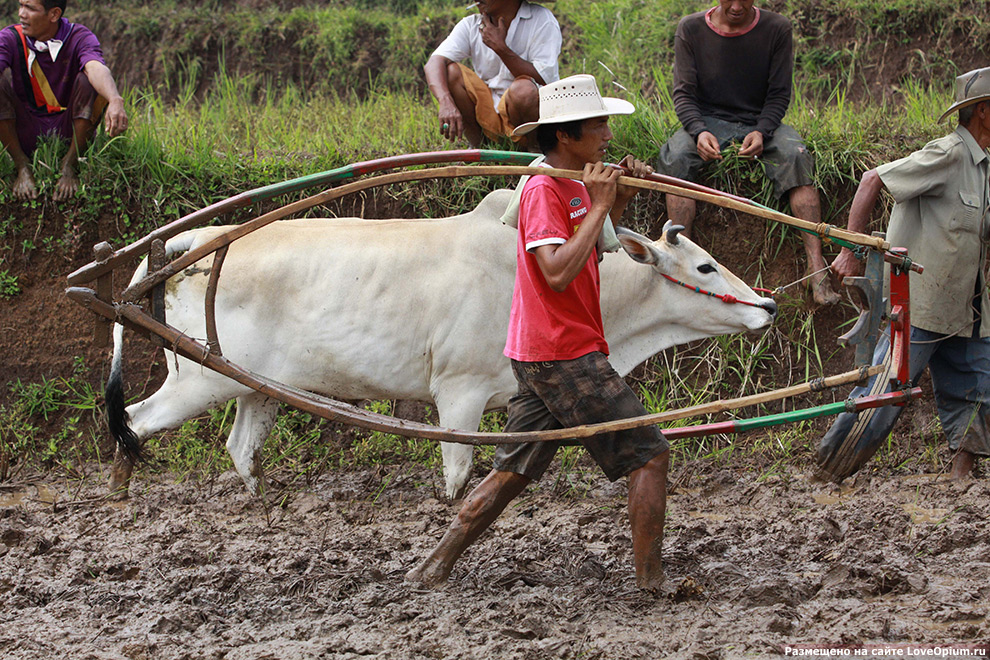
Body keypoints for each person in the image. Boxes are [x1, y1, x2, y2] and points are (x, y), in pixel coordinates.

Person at [405, 74, 670, 591]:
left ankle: (432, 568)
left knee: (513, 472)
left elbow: (595, 248)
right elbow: (555, 271)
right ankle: (651, 581)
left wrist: (616, 199)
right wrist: (597, 205)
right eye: (598, 126)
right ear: (566, 137)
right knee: (650, 453)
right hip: (562, 352)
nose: (608, 135)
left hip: (547, 350)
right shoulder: (544, 190)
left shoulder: (575, 184)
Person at [818, 66, 990, 482]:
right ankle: (827, 474)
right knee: (884, 396)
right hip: (920, 304)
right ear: (983, 111)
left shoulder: (986, 168)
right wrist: (850, 251)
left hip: (968, 308)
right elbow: (872, 178)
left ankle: (960, 477)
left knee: (978, 391)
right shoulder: (948, 153)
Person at [655, 0, 839, 305]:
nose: (737, 6)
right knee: (675, 159)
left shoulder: (777, 28)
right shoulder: (691, 29)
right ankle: (682, 270)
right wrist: (699, 131)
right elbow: (684, 93)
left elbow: (779, 93)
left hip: (758, 120)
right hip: (707, 120)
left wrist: (762, 131)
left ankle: (815, 267)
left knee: (796, 155)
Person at [0, 0, 127, 201]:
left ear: (54, 14)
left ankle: (70, 164)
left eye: (30, 8)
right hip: (26, 128)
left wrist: (114, 99)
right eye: (21, 5)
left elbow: (95, 66)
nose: (21, 14)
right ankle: (22, 166)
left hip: (69, 129)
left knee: (90, 81)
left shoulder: (78, 36)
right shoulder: (11, 37)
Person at [423, 0, 560, 148]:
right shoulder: (471, 25)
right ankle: (480, 147)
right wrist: (445, 102)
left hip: (526, 117)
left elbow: (545, 79)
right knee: (451, 73)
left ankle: (534, 150)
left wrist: (500, 48)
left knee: (523, 90)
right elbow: (434, 62)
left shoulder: (542, 20)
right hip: (488, 114)